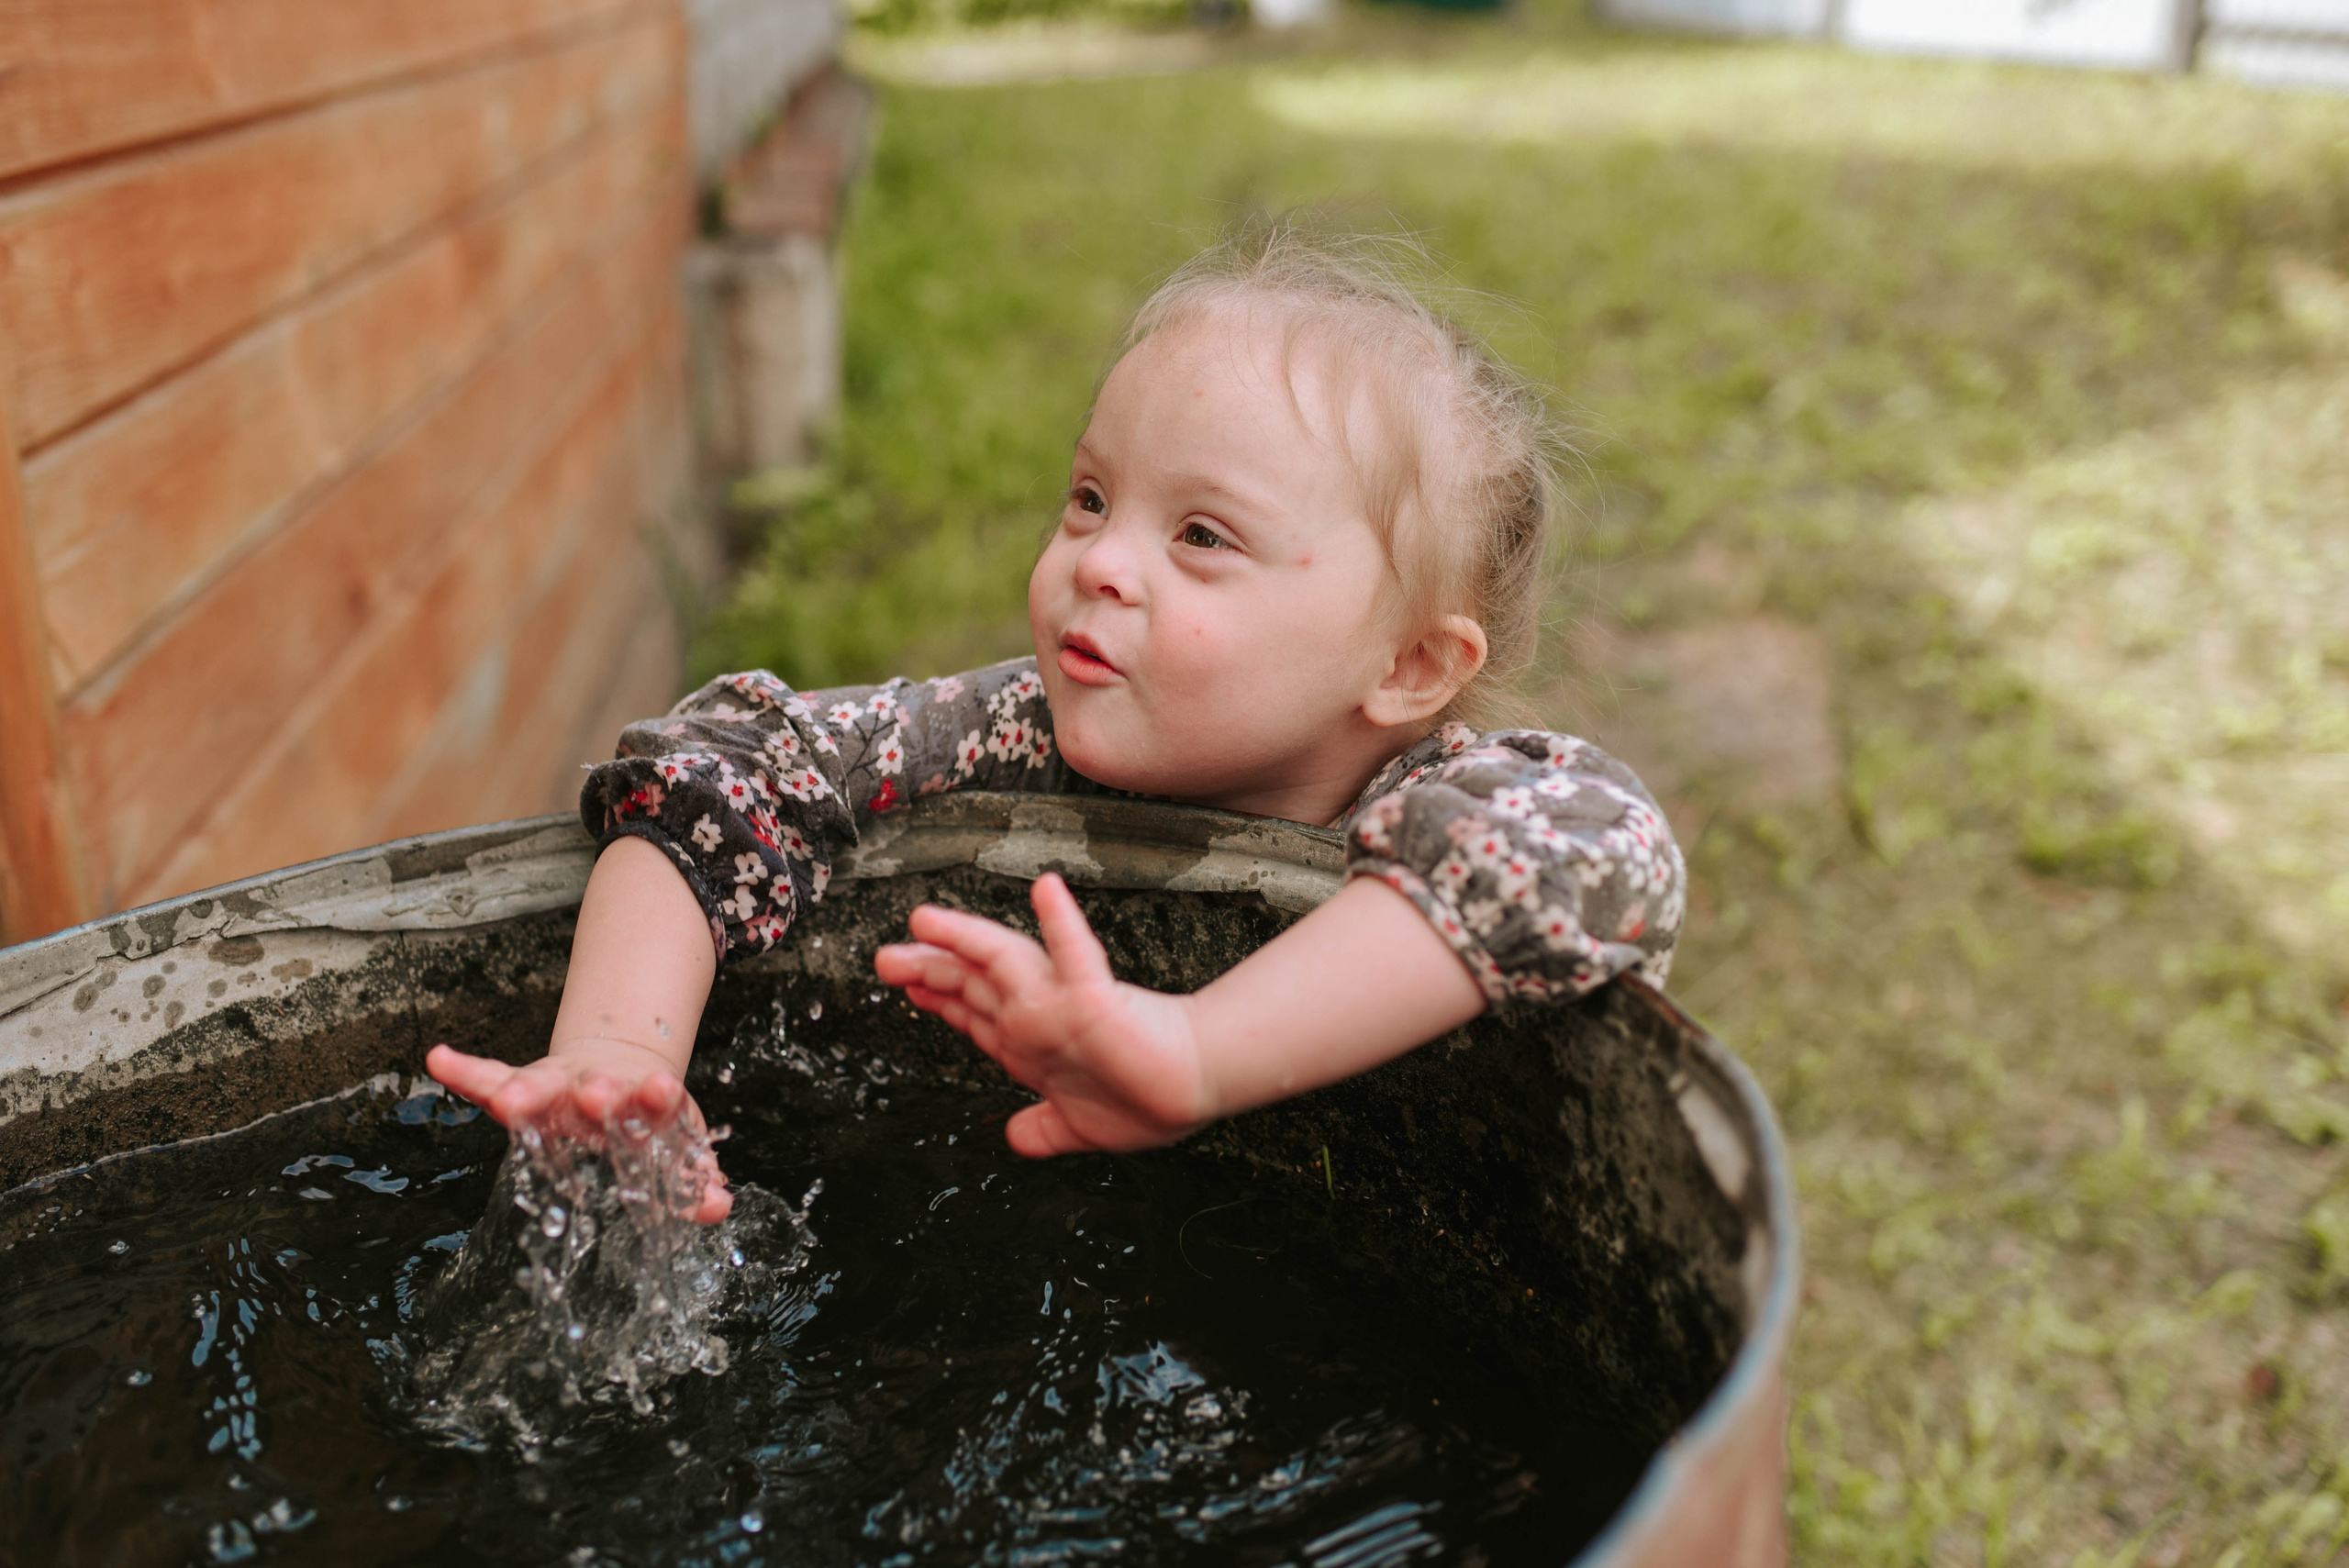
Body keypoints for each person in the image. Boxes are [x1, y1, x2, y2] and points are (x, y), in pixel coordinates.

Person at [426, 225, 1686, 1223]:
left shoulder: (1459, 797)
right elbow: (726, 765)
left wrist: (1196, 1049)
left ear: (1410, 665)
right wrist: (611, 1052)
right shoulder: (1014, 733)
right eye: (1090, 497)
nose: (1099, 563)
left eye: (1201, 536)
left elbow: (1600, 845)